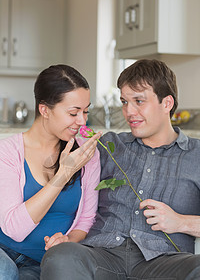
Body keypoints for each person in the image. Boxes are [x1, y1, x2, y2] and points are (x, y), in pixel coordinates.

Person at [40, 59, 200, 280]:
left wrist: (181, 222)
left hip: (165, 262)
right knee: (61, 256)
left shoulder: (196, 155)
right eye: (125, 102)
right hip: (101, 255)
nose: (129, 112)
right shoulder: (108, 145)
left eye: (139, 101)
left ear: (167, 103)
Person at [0, 64, 102, 280]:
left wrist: (68, 241)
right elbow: (14, 230)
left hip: (46, 262)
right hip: (4, 252)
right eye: (73, 113)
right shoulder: (7, 152)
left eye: (85, 111)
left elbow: (86, 219)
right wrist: (63, 174)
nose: (82, 121)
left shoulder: (87, 152)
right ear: (45, 110)